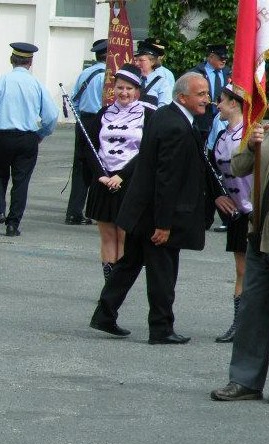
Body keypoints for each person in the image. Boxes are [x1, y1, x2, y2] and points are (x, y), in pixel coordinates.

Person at [88, 72, 235, 343]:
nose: (207, 99)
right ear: (183, 97)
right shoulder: (175, 126)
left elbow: (197, 162)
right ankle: (161, 328)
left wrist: (216, 193)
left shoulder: (167, 115)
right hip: (156, 214)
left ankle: (104, 314)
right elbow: (166, 179)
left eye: (206, 93)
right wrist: (164, 224)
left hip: (142, 208)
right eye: (201, 94)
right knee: (162, 272)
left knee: (129, 264)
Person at [0, 42, 58, 237]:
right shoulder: (37, 85)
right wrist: (41, 133)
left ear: (11, 60)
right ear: (30, 62)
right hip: (28, 138)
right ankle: (13, 224)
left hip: (2, 137)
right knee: (21, 182)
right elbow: (52, 116)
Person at [210, 122, 269, 401]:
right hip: (260, 234)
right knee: (252, 310)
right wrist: (250, 146)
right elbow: (238, 168)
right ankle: (245, 380)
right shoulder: (264, 129)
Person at [85, 64, 155, 281]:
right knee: (107, 236)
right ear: (113, 89)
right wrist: (101, 174)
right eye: (120, 88)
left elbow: (148, 152)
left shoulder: (149, 114)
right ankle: (109, 284)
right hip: (104, 180)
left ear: (137, 90)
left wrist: (122, 176)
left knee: (124, 235)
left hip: (130, 181)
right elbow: (90, 147)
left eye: (129, 88)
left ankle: (119, 285)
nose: (124, 93)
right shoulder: (103, 113)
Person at [209, 85, 251, 342]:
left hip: (258, 212)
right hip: (238, 213)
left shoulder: (251, 133)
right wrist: (219, 195)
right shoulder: (223, 136)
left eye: (222, 101)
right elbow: (212, 169)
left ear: (234, 103)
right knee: (241, 270)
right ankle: (239, 324)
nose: (218, 105)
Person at [65, 38, 107, 226]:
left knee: (80, 166)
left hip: (84, 121)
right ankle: (97, 210)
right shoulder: (109, 76)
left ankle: (74, 212)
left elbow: (74, 100)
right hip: (101, 121)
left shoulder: (85, 73)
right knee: (101, 165)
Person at [190, 44, 231, 139]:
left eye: (225, 58)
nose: (224, 61)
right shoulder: (196, 73)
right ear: (211, 56)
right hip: (201, 123)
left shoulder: (229, 73)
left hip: (224, 123)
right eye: (221, 58)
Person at [133, 41, 172, 107]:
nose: (137, 63)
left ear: (152, 62)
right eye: (136, 60)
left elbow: (164, 107)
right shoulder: (133, 79)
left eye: (141, 60)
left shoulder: (162, 83)